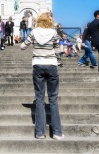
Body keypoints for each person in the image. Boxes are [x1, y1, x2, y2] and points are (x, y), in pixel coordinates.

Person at [21, 12, 64, 140]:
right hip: (51, 64)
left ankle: (40, 132)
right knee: (53, 99)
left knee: (39, 99)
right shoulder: (53, 33)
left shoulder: (34, 32)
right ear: (50, 21)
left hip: (38, 65)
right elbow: (58, 50)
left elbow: (23, 46)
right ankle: (57, 132)